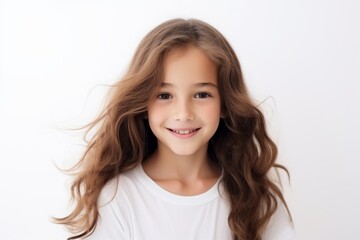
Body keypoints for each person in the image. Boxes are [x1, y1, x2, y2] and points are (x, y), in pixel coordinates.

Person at [54, 18, 295, 240]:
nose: (183, 113)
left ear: (225, 103)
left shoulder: (255, 197)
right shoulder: (118, 199)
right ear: (143, 103)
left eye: (202, 94)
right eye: (164, 95)